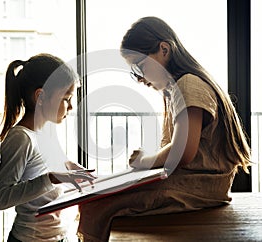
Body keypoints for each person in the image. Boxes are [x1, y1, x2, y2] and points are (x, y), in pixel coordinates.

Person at [77, 16, 251, 242]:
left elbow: (183, 153)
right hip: (198, 184)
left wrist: (145, 161)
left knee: (95, 205)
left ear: (164, 49)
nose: (139, 79)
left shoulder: (188, 84)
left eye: (139, 66)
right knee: (99, 194)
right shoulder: (179, 87)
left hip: (198, 188)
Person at [0, 53, 95, 242]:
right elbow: (1, 198)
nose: (71, 106)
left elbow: (51, 165)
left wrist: (74, 169)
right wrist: (52, 178)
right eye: (66, 98)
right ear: (40, 96)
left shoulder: (46, 132)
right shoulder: (20, 138)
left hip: (57, 236)